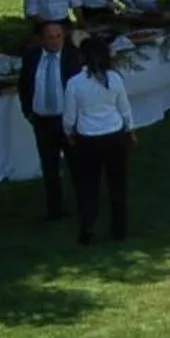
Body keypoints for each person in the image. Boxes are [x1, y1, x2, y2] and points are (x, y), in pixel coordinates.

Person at [63, 35, 135, 245]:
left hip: (88, 139)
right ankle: (119, 229)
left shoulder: (75, 83)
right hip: (114, 136)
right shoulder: (114, 79)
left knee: (88, 186)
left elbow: (69, 115)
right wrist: (130, 130)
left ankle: (87, 228)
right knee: (117, 184)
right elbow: (124, 108)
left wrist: (68, 132)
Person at [18, 18, 83, 221]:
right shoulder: (32, 57)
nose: (55, 41)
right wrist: (29, 112)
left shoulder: (73, 57)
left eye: (58, 37)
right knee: (49, 166)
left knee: (77, 165)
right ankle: (55, 209)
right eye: (50, 37)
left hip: (68, 120)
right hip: (42, 121)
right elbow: (24, 85)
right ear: (41, 39)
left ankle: (84, 205)